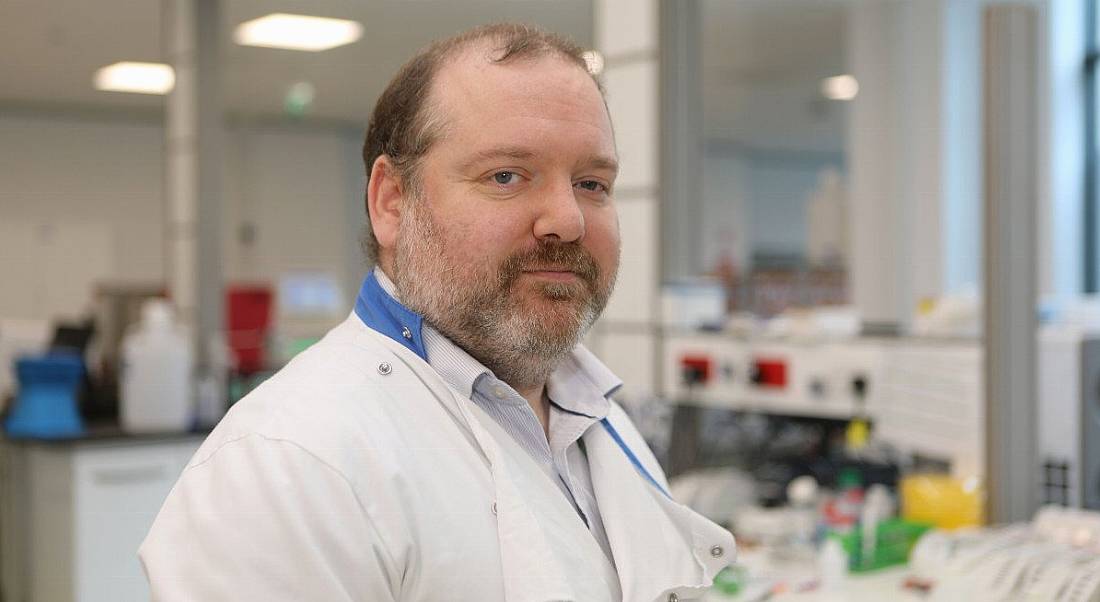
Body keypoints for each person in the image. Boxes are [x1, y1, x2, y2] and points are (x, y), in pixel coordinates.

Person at [140, 23, 734, 602]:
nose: (568, 220)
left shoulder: (594, 415)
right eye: (507, 175)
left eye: (592, 183)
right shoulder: (287, 463)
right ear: (392, 203)